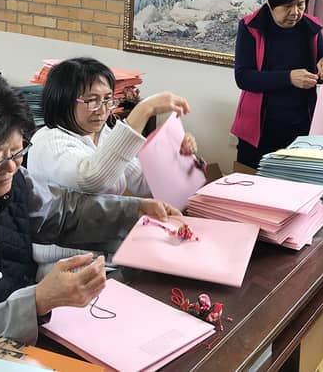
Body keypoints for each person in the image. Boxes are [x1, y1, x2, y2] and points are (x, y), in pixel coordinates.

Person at [0, 69, 180, 348]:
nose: (11, 167)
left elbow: (63, 212)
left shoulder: (13, 181)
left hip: (23, 338)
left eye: (17, 152)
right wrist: (37, 301)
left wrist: (135, 212)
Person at [28, 57, 197, 274]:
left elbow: (145, 183)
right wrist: (142, 111)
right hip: (66, 264)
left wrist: (176, 156)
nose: (102, 110)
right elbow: (92, 179)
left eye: (108, 99)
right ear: (63, 100)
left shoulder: (103, 134)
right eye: (91, 100)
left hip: (109, 251)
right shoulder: (49, 141)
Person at [231, 0, 323, 169]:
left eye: (300, 4)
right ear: (270, 0)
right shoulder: (250, 27)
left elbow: (320, 68)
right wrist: (289, 78)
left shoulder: (311, 28)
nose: (295, 12)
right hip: (259, 132)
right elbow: (243, 77)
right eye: (287, 6)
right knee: (251, 185)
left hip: (301, 130)